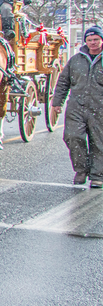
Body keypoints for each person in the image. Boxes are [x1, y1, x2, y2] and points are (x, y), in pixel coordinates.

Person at [51, 25, 103, 188]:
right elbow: (63, 81)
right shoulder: (76, 60)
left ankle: (97, 175)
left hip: (100, 108)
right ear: (85, 41)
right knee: (73, 137)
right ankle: (81, 170)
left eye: (96, 39)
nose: (93, 43)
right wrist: (57, 103)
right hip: (76, 106)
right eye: (89, 40)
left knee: (98, 142)